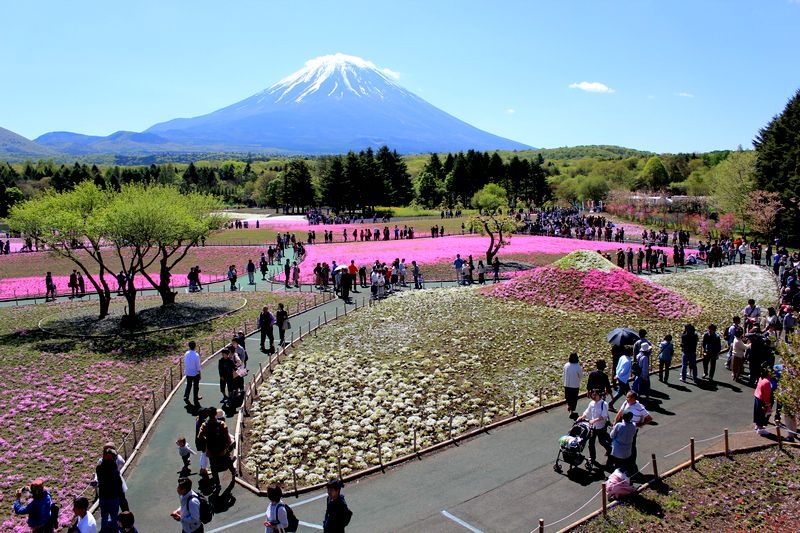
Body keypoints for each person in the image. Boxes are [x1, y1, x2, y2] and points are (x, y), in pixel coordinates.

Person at [197, 412, 236, 494]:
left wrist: (207, 440)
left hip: (211, 451)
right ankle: (233, 473)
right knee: (228, 461)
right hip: (222, 449)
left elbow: (200, 436)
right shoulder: (221, 424)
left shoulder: (205, 425)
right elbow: (227, 437)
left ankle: (217, 484)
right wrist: (228, 444)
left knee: (213, 469)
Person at [577, 389, 611, 468]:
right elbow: (587, 411)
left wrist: (594, 420)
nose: (593, 397)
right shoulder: (592, 403)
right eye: (592, 395)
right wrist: (582, 417)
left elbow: (604, 416)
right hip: (593, 427)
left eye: (595, 395)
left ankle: (610, 451)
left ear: (599, 395)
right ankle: (592, 458)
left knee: (602, 441)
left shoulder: (604, 404)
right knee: (591, 443)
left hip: (601, 427)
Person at [95, 444, 125, 531]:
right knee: (114, 517)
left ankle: (104, 531)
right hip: (113, 498)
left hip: (103, 498)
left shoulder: (99, 468)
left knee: (104, 517)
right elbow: (119, 485)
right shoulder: (114, 471)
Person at [184, 341, 202, 405]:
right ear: (195, 346)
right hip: (195, 373)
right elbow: (198, 366)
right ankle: (195, 397)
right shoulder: (196, 355)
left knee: (189, 385)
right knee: (196, 386)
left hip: (188, 372)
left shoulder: (186, 353)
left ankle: (186, 396)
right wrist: (200, 373)